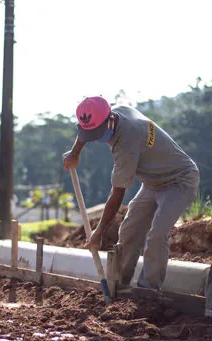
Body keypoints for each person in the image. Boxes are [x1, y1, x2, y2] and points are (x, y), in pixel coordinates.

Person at [62, 96, 199, 290]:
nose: (97, 139)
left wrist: (98, 232)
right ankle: (120, 283)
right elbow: (85, 131)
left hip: (179, 180)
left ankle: (148, 290)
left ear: (109, 120)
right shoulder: (117, 111)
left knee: (156, 235)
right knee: (129, 231)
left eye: (97, 133)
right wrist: (75, 152)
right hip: (152, 182)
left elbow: (117, 195)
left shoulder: (127, 142)